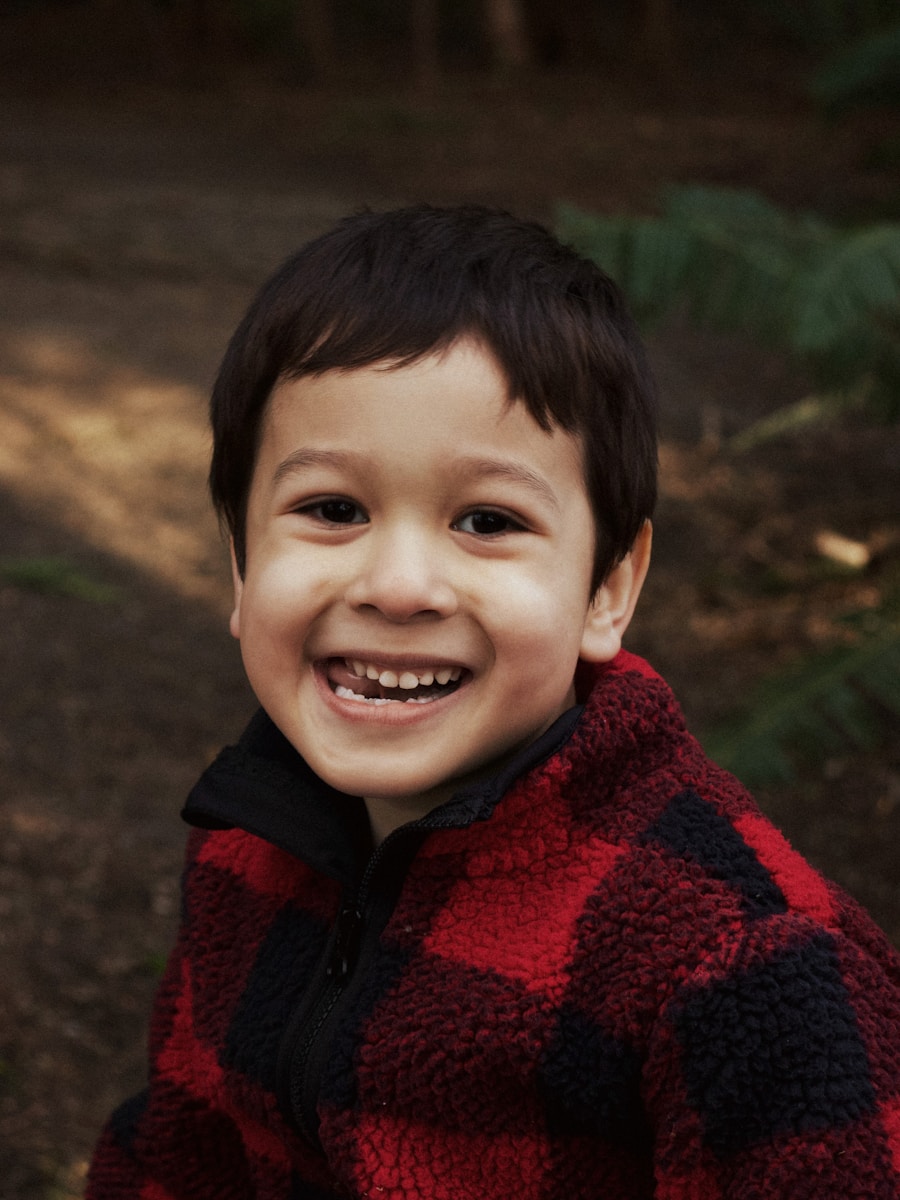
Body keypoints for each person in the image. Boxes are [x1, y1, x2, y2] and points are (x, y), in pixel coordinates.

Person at [86, 205, 900, 1199]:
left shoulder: (740, 962)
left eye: (487, 520)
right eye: (333, 510)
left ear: (607, 587)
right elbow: (183, 1153)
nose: (398, 585)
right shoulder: (244, 841)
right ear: (243, 565)